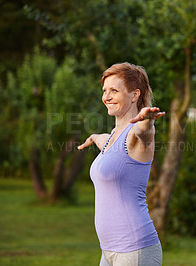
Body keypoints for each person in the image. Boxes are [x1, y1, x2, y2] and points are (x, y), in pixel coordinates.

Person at [78, 62, 165, 266]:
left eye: (114, 90)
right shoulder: (112, 139)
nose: (106, 96)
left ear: (134, 95)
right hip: (108, 252)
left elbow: (143, 132)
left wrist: (146, 120)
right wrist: (93, 137)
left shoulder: (136, 136)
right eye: (105, 90)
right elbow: (103, 139)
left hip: (135, 251)